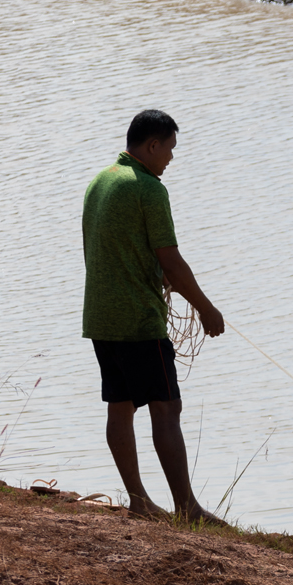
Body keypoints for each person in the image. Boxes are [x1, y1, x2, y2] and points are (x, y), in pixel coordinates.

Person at [81, 109, 226, 524]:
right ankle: (187, 508)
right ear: (152, 145)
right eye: (169, 150)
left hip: (101, 316)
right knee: (166, 408)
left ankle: (139, 500)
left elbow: (116, 246)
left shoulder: (101, 180)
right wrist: (206, 308)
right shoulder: (148, 188)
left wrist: (152, 273)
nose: (171, 160)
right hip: (138, 320)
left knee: (119, 406)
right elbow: (171, 260)